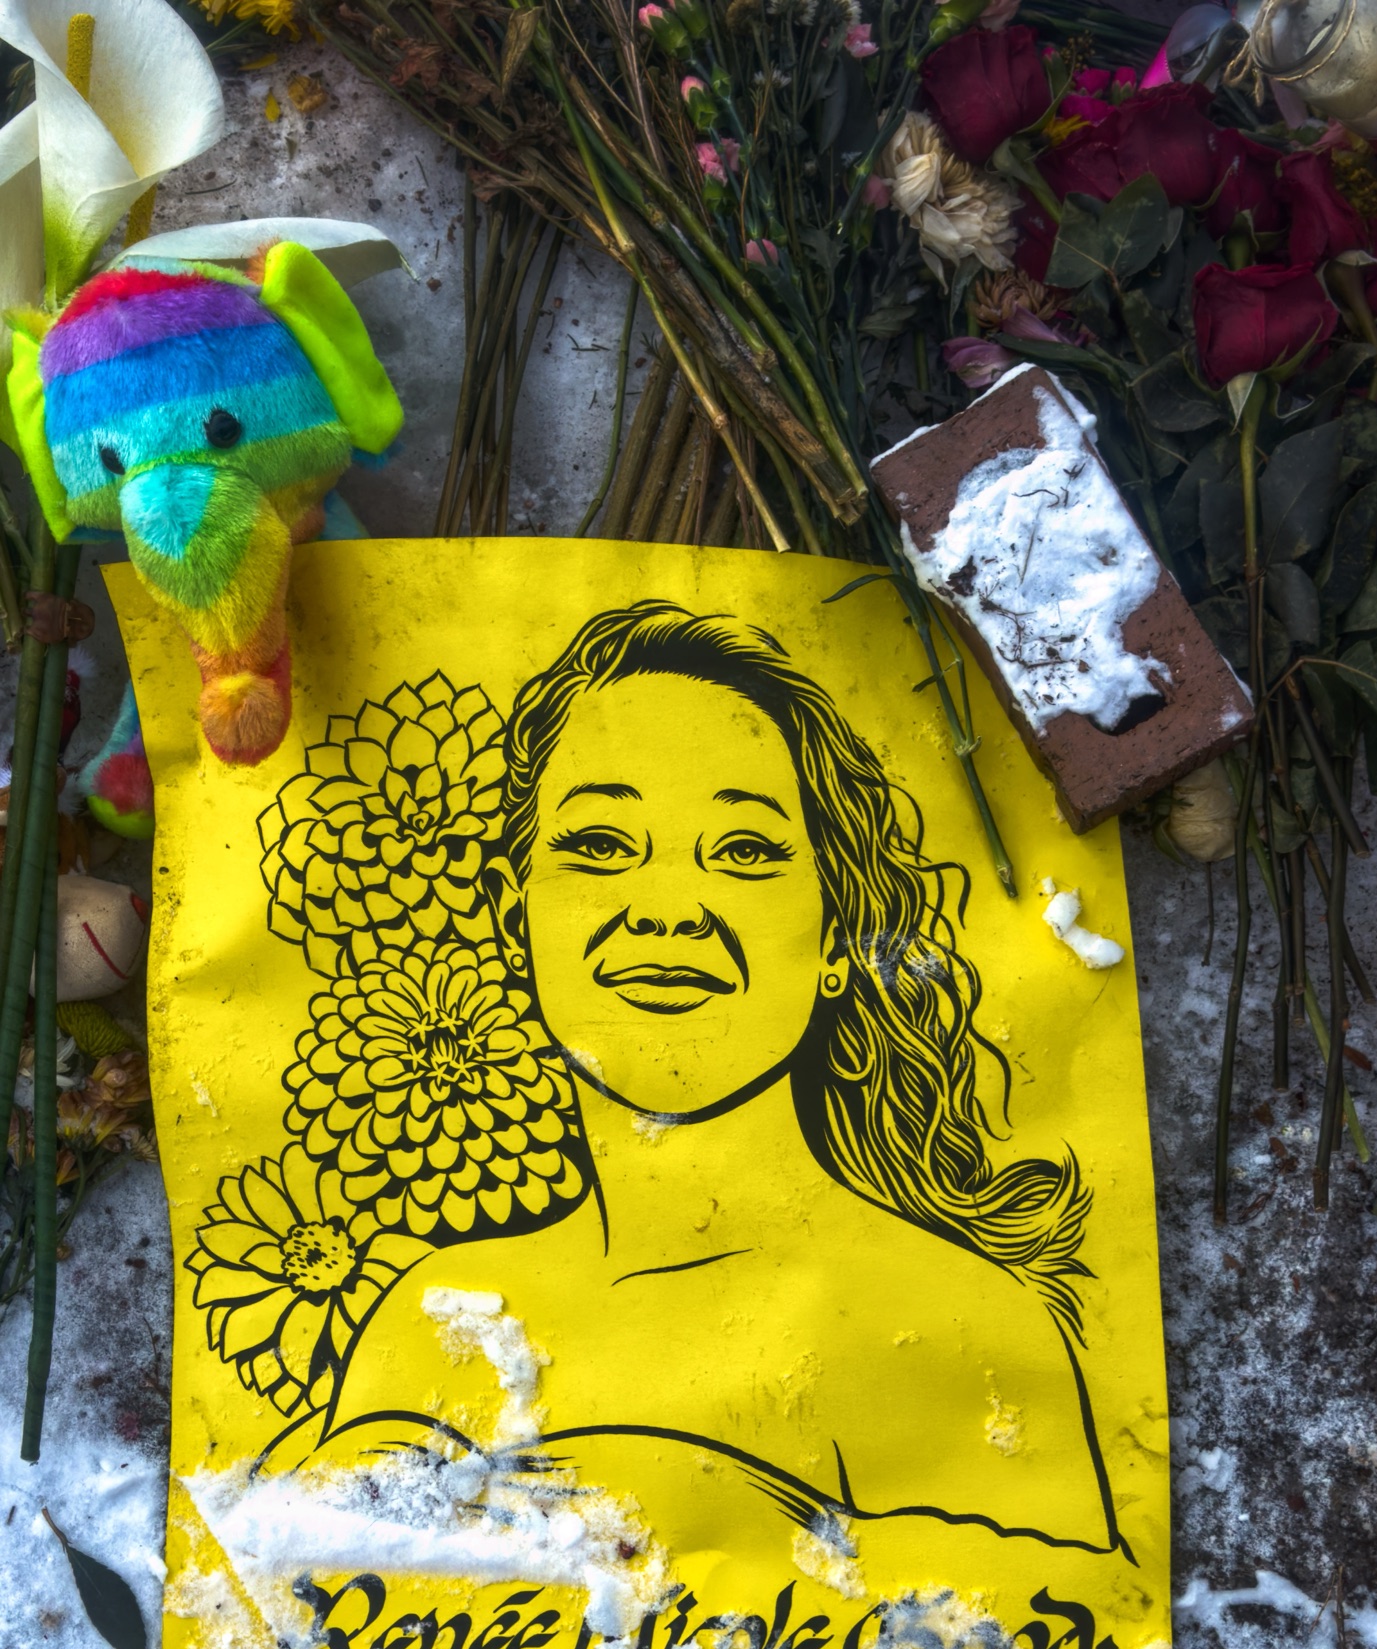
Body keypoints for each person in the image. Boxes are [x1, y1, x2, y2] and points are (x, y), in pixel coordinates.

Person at [322, 603, 1126, 1561]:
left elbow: (1050, 1638)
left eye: (744, 852)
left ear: (839, 932)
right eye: (601, 847)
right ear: (512, 915)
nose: (668, 911)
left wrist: (663, 1483)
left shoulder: (965, 1329)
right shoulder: (428, 1322)